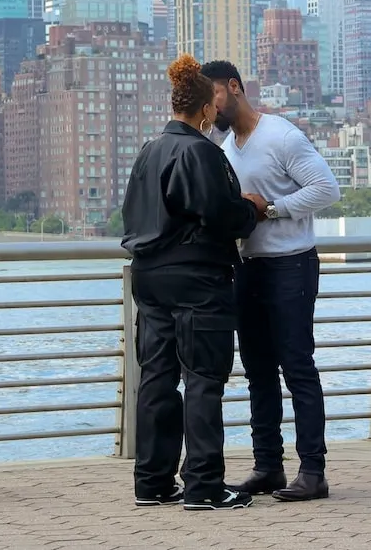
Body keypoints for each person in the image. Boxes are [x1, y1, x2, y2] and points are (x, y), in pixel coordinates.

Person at [120, 54, 262, 511]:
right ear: (204, 110)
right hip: (197, 277)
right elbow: (222, 217)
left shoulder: (149, 149)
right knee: (203, 377)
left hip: (148, 276)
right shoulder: (200, 152)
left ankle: (153, 481)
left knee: (157, 377)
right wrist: (252, 208)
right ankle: (203, 485)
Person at [200, 59, 341, 502]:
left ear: (235, 88)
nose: (211, 104)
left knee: (297, 366)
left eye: (215, 95)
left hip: (291, 264)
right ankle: (268, 467)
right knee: (258, 371)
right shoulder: (225, 148)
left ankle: (313, 472)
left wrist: (272, 208)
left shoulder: (281, 135)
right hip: (250, 266)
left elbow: (326, 189)